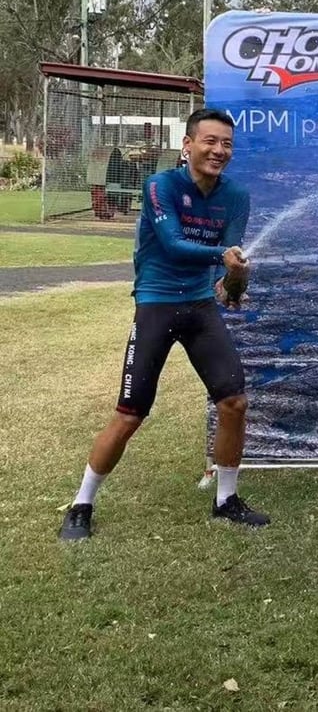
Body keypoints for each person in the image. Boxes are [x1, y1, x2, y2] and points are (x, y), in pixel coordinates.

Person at [59, 108, 268, 540]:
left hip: (199, 307)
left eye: (226, 143)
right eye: (209, 141)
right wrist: (221, 260)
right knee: (130, 413)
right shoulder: (159, 186)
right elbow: (173, 243)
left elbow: (230, 256)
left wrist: (233, 283)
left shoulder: (236, 196)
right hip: (156, 303)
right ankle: (82, 503)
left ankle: (226, 500)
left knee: (234, 402)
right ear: (187, 145)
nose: (219, 150)